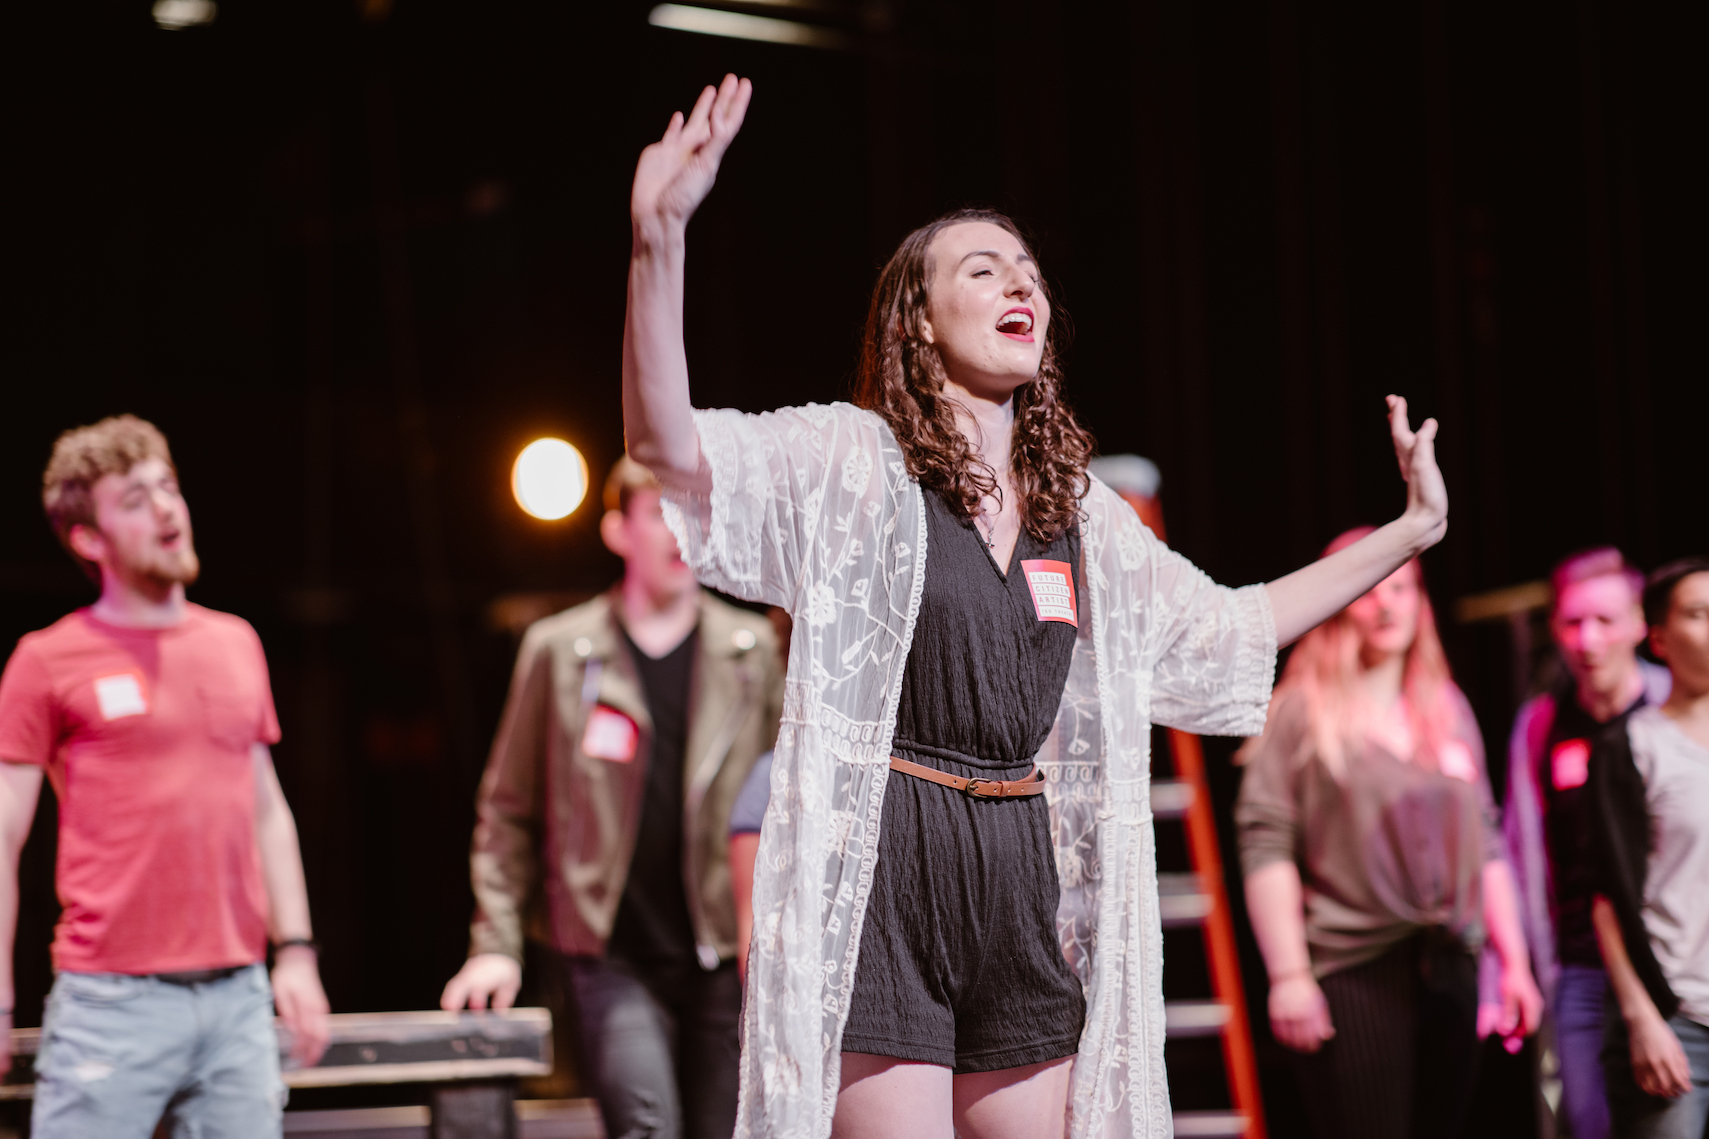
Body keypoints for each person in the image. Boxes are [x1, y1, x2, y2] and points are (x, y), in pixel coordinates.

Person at [622, 74, 1451, 1138]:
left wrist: (1409, 532)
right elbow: (669, 448)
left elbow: (1227, 628)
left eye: (1028, 271)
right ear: (917, 317)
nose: (1020, 285)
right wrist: (658, 242)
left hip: (1018, 877)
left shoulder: (1083, 513)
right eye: (982, 268)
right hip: (887, 869)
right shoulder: (852, 464)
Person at [0, 415, 330, 1138]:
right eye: (136, 498)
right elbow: (3, 833)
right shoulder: (47, 658)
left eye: (169, 486)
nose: (165, 507)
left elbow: (266, 809)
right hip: (110, 1004)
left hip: (237, 999)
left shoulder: (235, 642)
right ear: (90, 538)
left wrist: (296, 952)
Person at [440, 456, 784, 1139]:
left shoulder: (751, 653)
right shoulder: (559, 651)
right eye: (660, 512)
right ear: (617, 529)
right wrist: (496, 944)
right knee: (645, 1126)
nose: (681, 531)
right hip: (610, 952)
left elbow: (789, 804)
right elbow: (508, 810)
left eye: (696, 512)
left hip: (725, 955)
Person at [1236, 528, 1543, 1139]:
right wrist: (1290, 977)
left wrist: (1513, 961)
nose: (1387, 602)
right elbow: (1265, 843)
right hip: (1354, 970)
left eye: (1402, 587)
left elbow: (1485, 841)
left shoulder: (1446, 706)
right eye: (1371, 587)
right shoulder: (1300, 710)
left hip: (1451, 966)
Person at [1501, 548, 1672, 1139]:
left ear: (1639, 625)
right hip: (1579, 964)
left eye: (1604, 621)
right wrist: (1516, 965)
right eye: (1573, 622)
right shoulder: (1543, 725)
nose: (1588, 639)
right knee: (1585, 1119)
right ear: (1554, 629)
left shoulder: (1676, 707)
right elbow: (1518, 849)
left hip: (1673, 959)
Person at [1589, 557, 1709, 1139]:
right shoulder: (1630, 745)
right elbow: (1610, 895)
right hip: (1679, 1017)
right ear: (1658, 638)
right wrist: (1643, 1017)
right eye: (1697, 613)